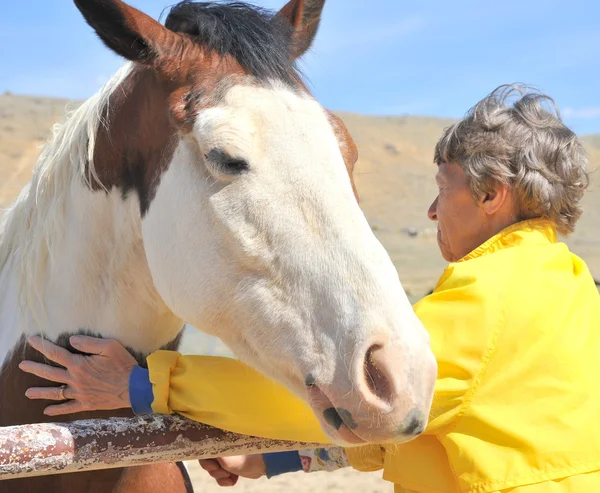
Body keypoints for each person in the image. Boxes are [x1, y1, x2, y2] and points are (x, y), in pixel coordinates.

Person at [20, 85, 600, 493]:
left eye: (443, 188)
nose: (429, 209)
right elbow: (404, 433)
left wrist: (143, 384)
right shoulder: (570, 287)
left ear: (492, 194)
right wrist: (271, 459)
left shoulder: (491, 300)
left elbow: (343, 397)